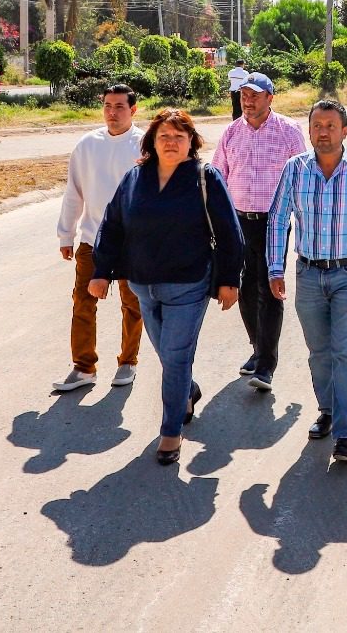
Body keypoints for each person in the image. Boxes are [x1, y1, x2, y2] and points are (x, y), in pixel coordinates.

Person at [91, 109, 244, 465]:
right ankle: (187, 391)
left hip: (188, 284)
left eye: (179, 136)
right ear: (152, 141)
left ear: (191, 142)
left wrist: (228, 280)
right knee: (170, 357)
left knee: (174, 358)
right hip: (142, 284)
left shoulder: (205, 178)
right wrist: (101, 271)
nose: (171, 142)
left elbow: (229, 232)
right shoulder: (134, 178)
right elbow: (112, 225)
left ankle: (171, 432)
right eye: (164, 136)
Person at [266, 99, 347, 465]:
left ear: (344, 130)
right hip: (308, 274)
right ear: (309, 131)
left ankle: (344, 433)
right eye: (316, 126)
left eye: (330, 126)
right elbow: (278, 220)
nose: (323, 132)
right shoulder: (294, 170)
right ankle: (327, 410)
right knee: (319, 353)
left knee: (345, 352)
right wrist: (274, 268)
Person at [210, 72, 308, 393]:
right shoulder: (230, 133)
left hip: (275, 220)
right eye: (243, 95)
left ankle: (266, 365)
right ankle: (257, 349)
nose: (247, 100)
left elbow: (303, 179)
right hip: (238, 221)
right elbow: (219, 179)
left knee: (269, 286)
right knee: (245, 287)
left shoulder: (288, 131)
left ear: (270, 98)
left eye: (254, 95)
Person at [52, 83, 145, 394]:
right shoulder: (87, 145)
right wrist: (66, 233)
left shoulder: (145, 144)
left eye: (119, 106)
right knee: (83, 302)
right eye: (107, 105)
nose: (112, 112)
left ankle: (128, 361)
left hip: (132, 243)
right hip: (92, 240)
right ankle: (83, 367)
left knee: (132, 304)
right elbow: (73, 192)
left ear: (133, 109)